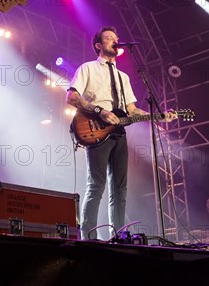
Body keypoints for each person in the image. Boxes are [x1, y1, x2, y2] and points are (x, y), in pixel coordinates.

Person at [66, 26, 176, 240]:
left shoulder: (123, 77)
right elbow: (71, 97)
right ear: (98, 45)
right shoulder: (87, 68)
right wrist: (100, 111)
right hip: (95, 129)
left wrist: (160, 116)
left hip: (119, 134)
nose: (115, 41)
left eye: (117, 38)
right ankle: (87, 236)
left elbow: (132, 110)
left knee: (120, 188)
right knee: (96, 185)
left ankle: (118, 236)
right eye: (109, 38)